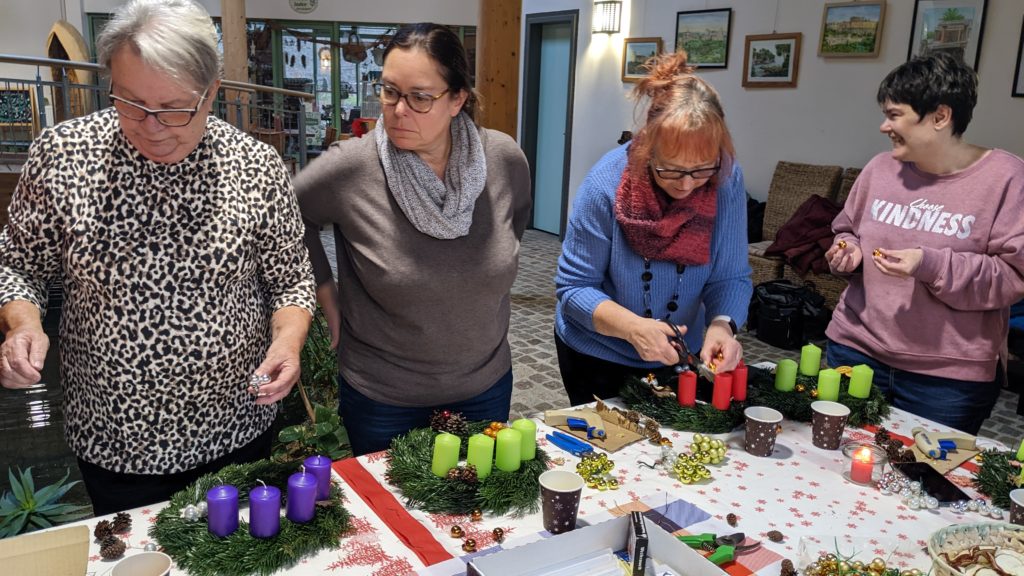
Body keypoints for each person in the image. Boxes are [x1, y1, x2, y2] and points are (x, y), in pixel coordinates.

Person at [0, 0, 315, 514]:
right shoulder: (63, 155)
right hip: (116, 437)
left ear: (211, 92)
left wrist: (289, 341)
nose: (151, 127)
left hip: (236, 422)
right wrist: (22, 325)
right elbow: (15, 264)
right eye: (130, 104)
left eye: (174, 108)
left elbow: (292, 280)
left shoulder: (254, 165)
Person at [294, 23, 531, 456]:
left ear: (458, 98)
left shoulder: (503, 158)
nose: (399, 110)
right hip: (384, 397)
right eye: (389, 92)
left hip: (485, 385)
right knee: (391, 519)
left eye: (420, 97)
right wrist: (325, 295)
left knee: (476, 509)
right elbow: (290, 216)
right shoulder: (351, 167)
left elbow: (514, 227)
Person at [825, 52, 1024, 434]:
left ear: (940, 116)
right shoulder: (879, 169)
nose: (884, 126)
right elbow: (846, 229)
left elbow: (1012, 276)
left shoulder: (1007, 178)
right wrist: (847, 251)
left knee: (924, 485)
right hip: (854, 350)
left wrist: (930, 264)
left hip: (947, 379)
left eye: (895, 114)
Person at [555, 51, 752, 406]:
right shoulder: (606, 184)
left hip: (678, 353)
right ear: (647, 147)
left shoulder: (725, 179)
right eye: (671, 170)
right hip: (598, 354)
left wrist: (723, 325)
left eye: (701, 169)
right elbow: (574, 289)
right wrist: (632, 328)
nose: (687, 185)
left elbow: (731, 275)